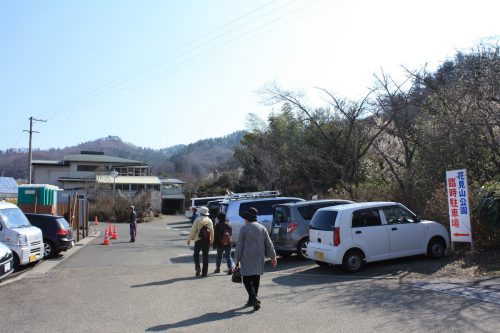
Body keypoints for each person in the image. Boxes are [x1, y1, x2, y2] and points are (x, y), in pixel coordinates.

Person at [234, 207, 277, 311]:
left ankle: (254, 298)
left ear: (247, 218)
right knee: (256, 278)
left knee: (246, 280)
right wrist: (273, 256)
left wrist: (237, 259)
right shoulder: (262, 228)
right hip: (259, 257)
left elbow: (239, 246)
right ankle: (252, 300)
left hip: (247, 257)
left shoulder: (244, 229)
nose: (244, 220)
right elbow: (269, 243)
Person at [187, 206, 214, 277]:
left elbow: (193, 230)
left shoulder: (197, 219)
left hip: (198, 240)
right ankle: (204, 272)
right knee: (205, 256)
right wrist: (212, 241)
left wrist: (189, 239)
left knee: (196, 254)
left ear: (200, 213)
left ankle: (198, 268)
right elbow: (212, 232)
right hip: (207, 240)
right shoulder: (209, 220)